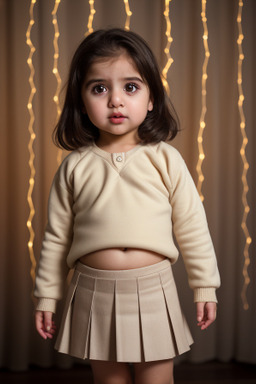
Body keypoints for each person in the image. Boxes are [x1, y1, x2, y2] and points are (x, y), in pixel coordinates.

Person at [34, 28, 220, 384]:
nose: (115, 100)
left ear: (152, 99)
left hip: (154, 289)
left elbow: (193, 227)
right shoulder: (74, 166)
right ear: (81, 100)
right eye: (99, 88)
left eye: (130, 87)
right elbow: (56, 238)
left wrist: (205, 286)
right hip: (92, 290)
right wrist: (46, 297)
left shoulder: (165, 159)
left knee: (156, 380)